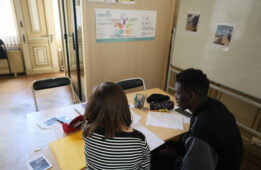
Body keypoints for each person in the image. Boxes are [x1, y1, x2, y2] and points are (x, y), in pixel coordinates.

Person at [174, 68, 243, 170]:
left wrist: (176, 160)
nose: (174, 96)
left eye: (177, 93)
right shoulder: (215, 105)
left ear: (192, 96)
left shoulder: (202, 130)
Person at [82, 82, 150, 170]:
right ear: (124, 108)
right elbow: (145, 168)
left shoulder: (87, 130)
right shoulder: (139, 140)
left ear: (93, 107)